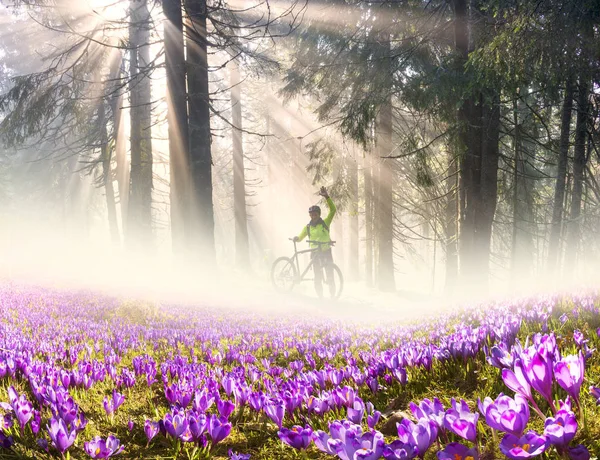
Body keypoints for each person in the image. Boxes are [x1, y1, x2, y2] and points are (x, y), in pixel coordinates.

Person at [293, 186, 337, 298]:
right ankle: (320, 298)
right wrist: (297, 238)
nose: (313, 216)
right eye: (311, 215)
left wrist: (327, 197)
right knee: (317, 275)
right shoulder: (308, 227)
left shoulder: (325, 223)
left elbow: (333, 210)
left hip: (326, 251)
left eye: (315, 214)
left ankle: (333, 296)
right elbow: (301, 236)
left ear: (319, 214)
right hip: (315, 253)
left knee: (330, 274)